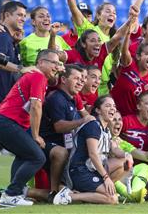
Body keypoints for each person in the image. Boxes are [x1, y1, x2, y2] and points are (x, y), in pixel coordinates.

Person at [0, 49, 61, 206]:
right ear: (41, 63)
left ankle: (15, 193)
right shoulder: (38, 76)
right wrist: (35, 135)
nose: (57, 66)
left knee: (25, 155)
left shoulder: (37, 77)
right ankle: (11, 194)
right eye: (54, 62)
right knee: (37, 157)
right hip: (6, 122)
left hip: (2, 122)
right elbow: (35, 106)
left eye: (58, 63)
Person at [53, 95, 133, 205]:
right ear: (98, 110)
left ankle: (95, 194)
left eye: (114, 106)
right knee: (112, 199)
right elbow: (93, 154)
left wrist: (127, 155)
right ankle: (69, 196)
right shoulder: (93, 126)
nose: (112, 109)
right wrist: (106, 177)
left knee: (122, 163)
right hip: (79, 171)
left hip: (91, 170)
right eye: (108, 106)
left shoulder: (105, 129)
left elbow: (114, 149)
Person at [0, 1, 28, 201]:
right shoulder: (1, 35)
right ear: (6, 15)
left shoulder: (8, 39)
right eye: (19, 14)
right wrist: (21, 69)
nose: (23, 18)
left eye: (24, 15)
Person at [39, 64, 95, 201]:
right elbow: (59, 127)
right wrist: (82, 121)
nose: (81, 82)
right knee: (61, 152)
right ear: (63, 79)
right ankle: (53, 191)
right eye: (77, 79)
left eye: (82, 79)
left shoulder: (73, 98)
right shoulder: (56, 98)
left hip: (66, 144)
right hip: (46, 144)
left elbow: (87, 116)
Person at [110, 110, 148, 203]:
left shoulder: (122, 142)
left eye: (119, 119)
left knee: (144, 167)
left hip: (125, 177)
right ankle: (131, 196)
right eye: (114, 120)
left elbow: (145, 156)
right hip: (110, 178)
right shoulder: (101, 137)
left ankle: (135, 193)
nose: (118, 122)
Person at [110, 24, 148, 116]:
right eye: (147, 54)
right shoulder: (129, 64)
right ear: (138, 56)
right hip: (114, 111)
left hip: (133, 116)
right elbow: (124, 51)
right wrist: (128, 34)